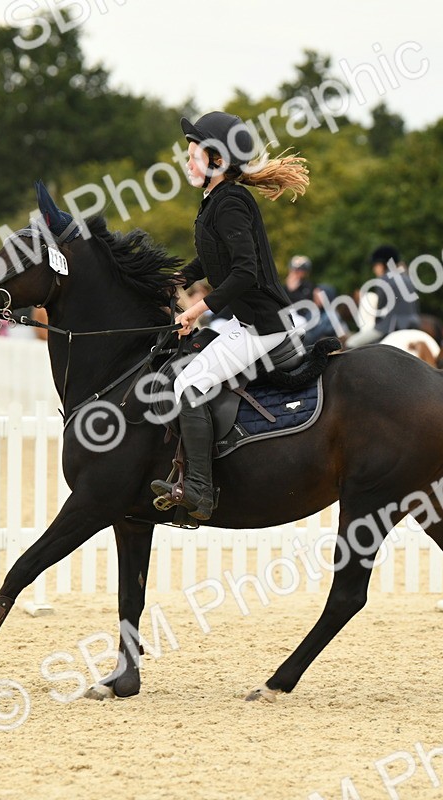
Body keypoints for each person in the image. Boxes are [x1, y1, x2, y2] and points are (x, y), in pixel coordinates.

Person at [150, 111, 309, 521]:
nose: (187, 161)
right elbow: (211, 259)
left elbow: (245, 272)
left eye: (194, 154)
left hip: (262, 327)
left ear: (217, 161)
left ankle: (199, 491)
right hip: (247, 323)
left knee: (188, 385)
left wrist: (197, 310)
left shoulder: (231, 202)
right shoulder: (215, 201)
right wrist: (174, 280)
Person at [347, 245, 421, 347]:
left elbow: (381, 310)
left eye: (375, 266)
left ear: (382, 264)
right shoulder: (408, 279)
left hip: (391, 326)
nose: (374, 269)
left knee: (351, 343)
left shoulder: (384, 280)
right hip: (414, 324)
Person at [284, 255, 337, 343]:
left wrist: (292, 292)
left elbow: (310, 306)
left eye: (300, 270)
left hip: (305, 320)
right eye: (295, 270)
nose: (297, 273)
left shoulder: (309, 287)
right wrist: (289, 290)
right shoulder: (284, 288)